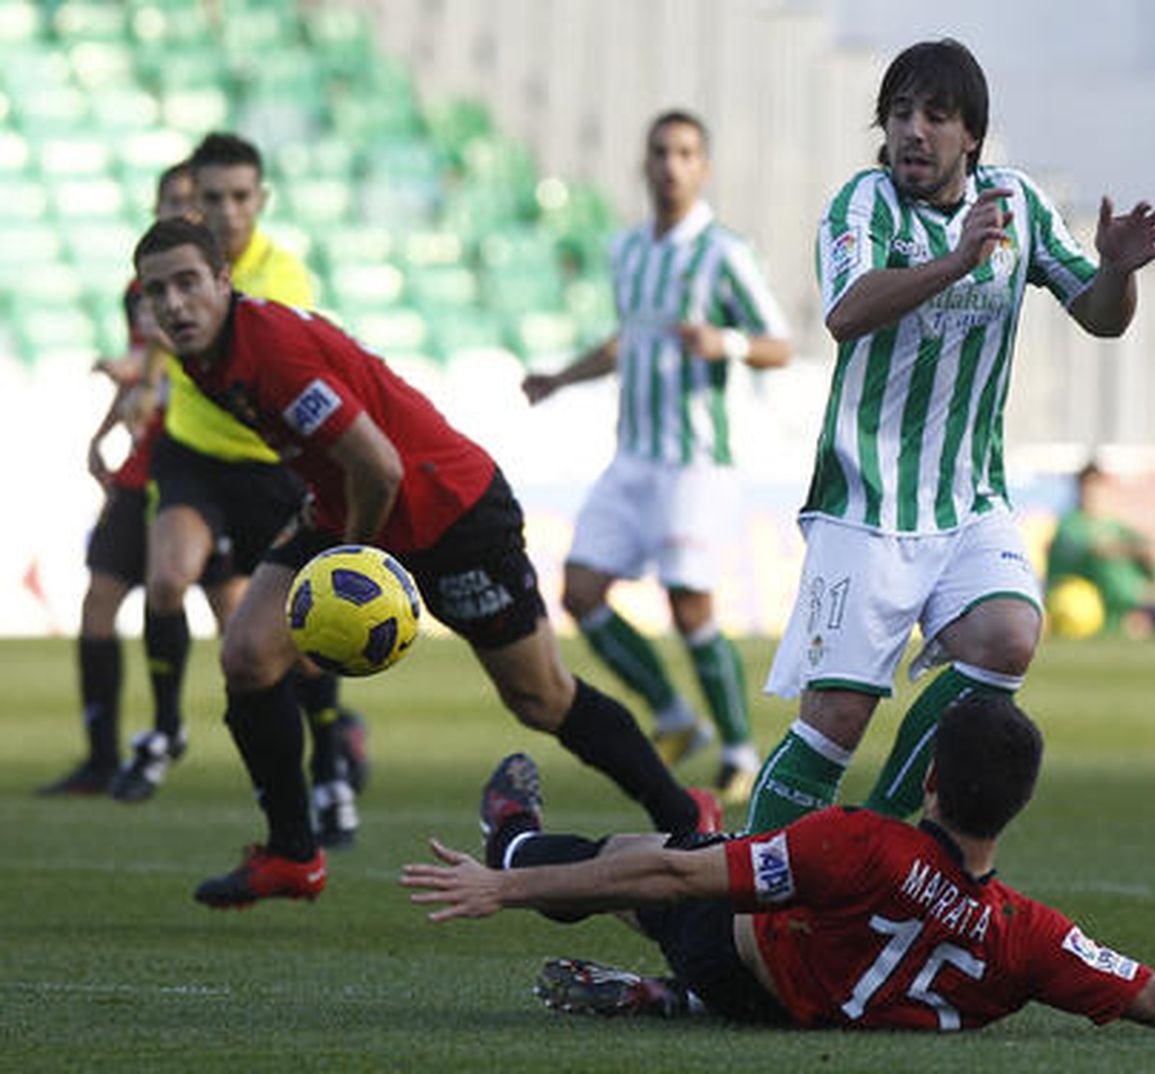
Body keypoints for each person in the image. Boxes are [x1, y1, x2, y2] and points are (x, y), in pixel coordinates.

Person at [133, 217, 719, 909]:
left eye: (188, 284)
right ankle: (293, 854)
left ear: (224, 281)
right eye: (157, 291)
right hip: (352, 505)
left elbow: (379, 464)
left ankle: (686, 817)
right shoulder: (202, 356)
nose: (174, 304)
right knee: (248, 655)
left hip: (450, 512)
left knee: (541, 698)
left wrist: (346, 565)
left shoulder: (273, 352)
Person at [401, 695, 1155, 1042]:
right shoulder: (1029, 937)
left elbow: (674, 886)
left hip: (739, 959)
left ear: (933, 782)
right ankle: (668, 998)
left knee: (650, 857)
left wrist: (507, 891)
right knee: (700, 864)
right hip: (808, 1015)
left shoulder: (861, 844)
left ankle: (511, 840)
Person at [746, 39, 1155, 832]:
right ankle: (750, 883)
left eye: (937, 116)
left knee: (1007, 638)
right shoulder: (862, 205)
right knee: (835, 723)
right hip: (866, 501)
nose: (914, 131)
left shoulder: (1017, 205)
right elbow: (846, 312)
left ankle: (883, 835)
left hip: (969, 497)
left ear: (972, 135)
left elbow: (1100, 318)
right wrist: (954, 262)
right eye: (900, 113)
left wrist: (1118, 273)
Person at [522, 111, 791, 807]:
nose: (671, 165)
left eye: (685, 153)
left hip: (695, 462)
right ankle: (674, 715)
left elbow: (778, 343)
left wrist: (727, 343)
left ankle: (739, 752)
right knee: (580, 591)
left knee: (689, 602)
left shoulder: (723, 252)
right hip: (632, 457)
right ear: (644, 164)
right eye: (661, 152)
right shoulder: (629, 250)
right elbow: (627, 341)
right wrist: (560, 378)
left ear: (703, 167)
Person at [126, 133, 365, 841]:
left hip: (269, 464)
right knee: (166, 578)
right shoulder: (177, 270)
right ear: (191, 199)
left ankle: (330, 767)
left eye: (239, 197)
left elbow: (237, 349)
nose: (227, 211)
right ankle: (166, 729)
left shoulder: (283, 274)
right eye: (212, 197)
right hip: (194, 454)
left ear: (260, 199)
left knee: (303, 635)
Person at [36, 163, 246, 796]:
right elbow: (149, 373)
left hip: (207, 467)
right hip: (148, 462)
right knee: (101, 597)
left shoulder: (219, 288)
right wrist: (107, 429)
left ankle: (321, 738)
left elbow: (159, 365)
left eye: (190, 201)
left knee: (238, 621)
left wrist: (130, 370)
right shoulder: (142, 288)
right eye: (170, 201)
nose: (180, 210)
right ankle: (104, 755)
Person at [1045, 459, 1155, 639]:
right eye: (1088, 487)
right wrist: (1131, 550)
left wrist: (1145, 556)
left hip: (1109, 596)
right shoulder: (1071, 524)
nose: (1093, 493)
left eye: (1097, 486)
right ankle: (1134, 612)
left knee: (1153, 559)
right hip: (1077, 598)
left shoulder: (1113, 524)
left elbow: (1151, 546)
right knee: (1107, 562)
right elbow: (1099, 549)